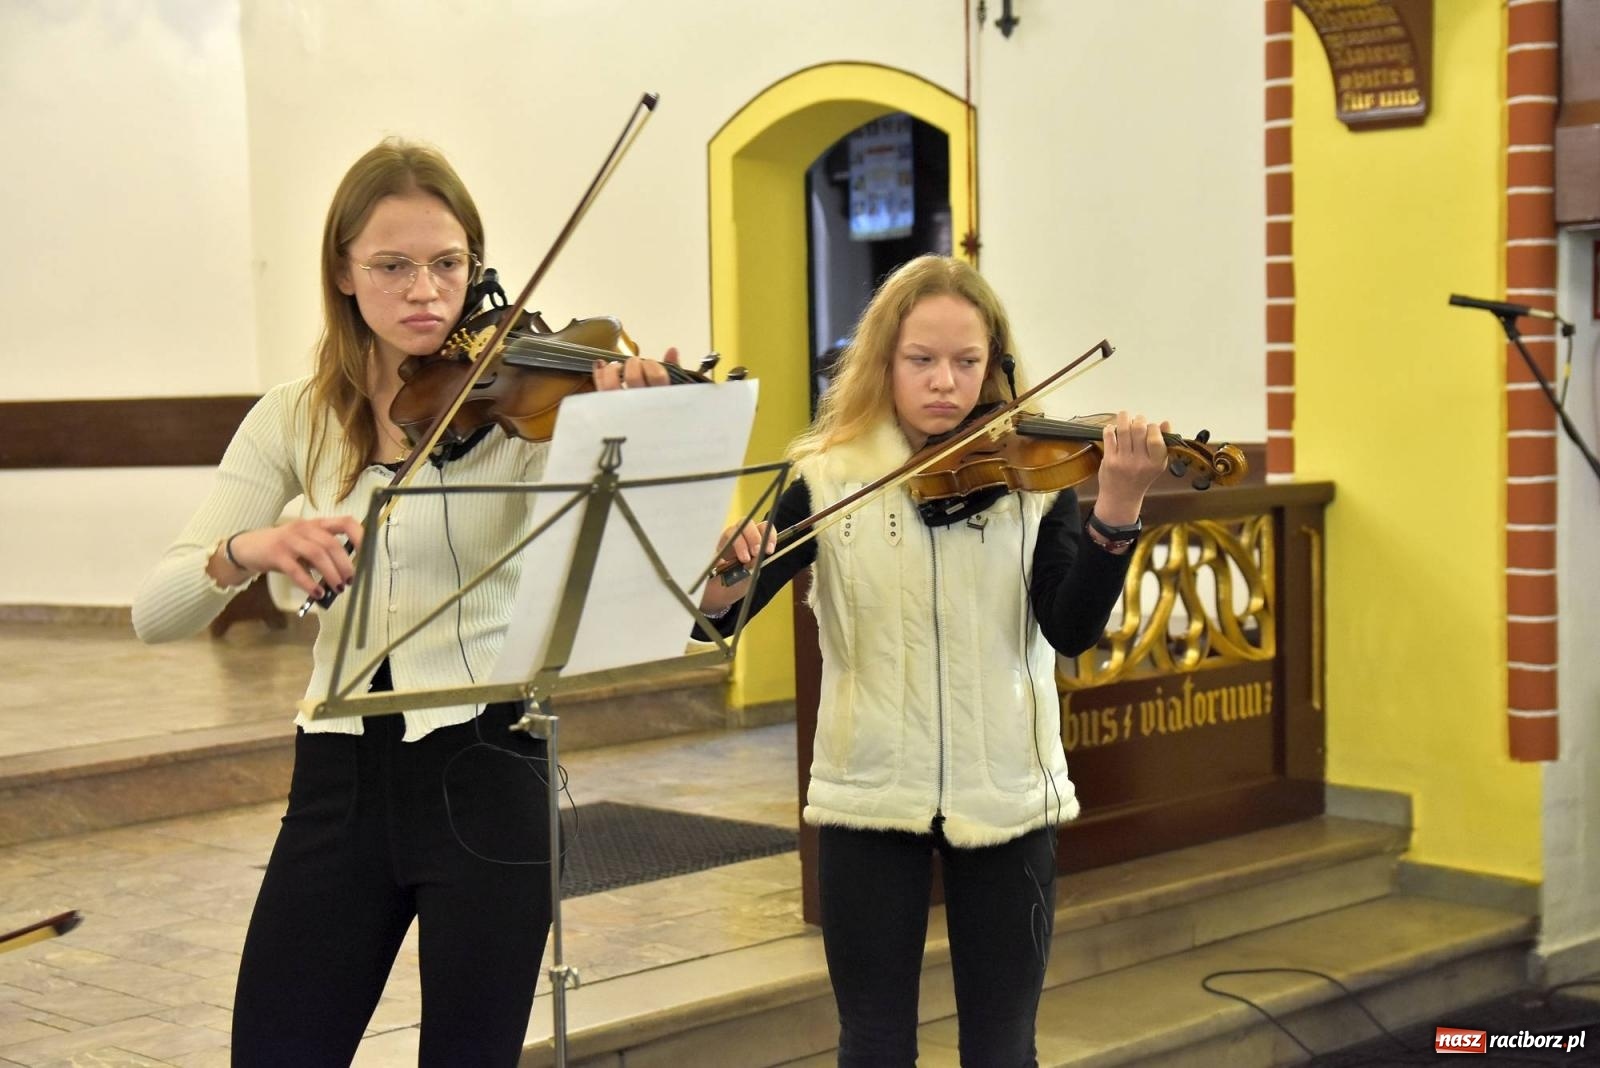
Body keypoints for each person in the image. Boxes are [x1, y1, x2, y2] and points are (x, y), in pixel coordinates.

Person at [131, 138, 714, 1068]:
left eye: (449, 264)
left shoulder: (526, 406)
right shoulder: (295, 416)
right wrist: (255, 546)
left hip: (489, 769)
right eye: (392, 266)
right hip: (337, 782)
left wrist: (639, 432)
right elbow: (155, 611)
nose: (425, 292)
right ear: (342, 272)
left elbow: (664, 589)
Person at [697, 255, 1170, 1067]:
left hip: (1008, 789)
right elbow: (722, 618)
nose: (945, 383)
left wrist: (1117, 508)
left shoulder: (1036, 477)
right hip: (868, 792)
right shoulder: (824, 475)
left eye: (966, 361)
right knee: (875, 1044)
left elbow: (1070, 629)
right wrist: (724, 574)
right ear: (885, 361)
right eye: (922, 360)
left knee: (1001, 1045)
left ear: (996, 366)